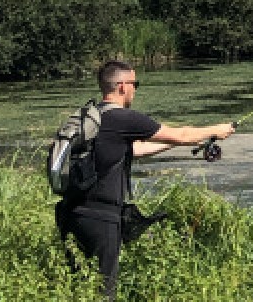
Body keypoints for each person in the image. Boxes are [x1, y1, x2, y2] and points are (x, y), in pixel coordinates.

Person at [55, 60, 235, 299]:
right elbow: (181, 134)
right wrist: (216, 130)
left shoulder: (92, 118)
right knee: (103, 293)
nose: (135, 89)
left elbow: (134, 150)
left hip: (72, 214)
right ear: (121, 86)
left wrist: (176, 143)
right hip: (102, 220)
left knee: (78, 289)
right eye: (134, 84)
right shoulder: (124, 118)